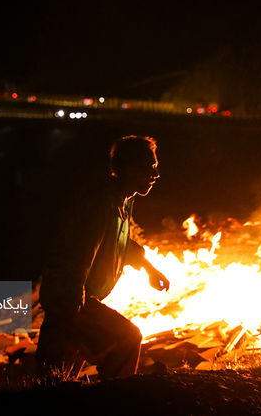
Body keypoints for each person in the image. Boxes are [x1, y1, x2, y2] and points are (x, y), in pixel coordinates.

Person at [36, 135, 169, 378]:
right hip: (69, 300)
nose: (156, 174)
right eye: (149, 167)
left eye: (155, 167)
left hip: (82, 300)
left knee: (59, 378)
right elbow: (76, 257)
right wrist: (71, 315)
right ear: (126, 168)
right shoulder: (98, 202)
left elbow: (119, 243)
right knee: (127, 338)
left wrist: (149, 268)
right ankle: (115, 401)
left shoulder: (122, 201)